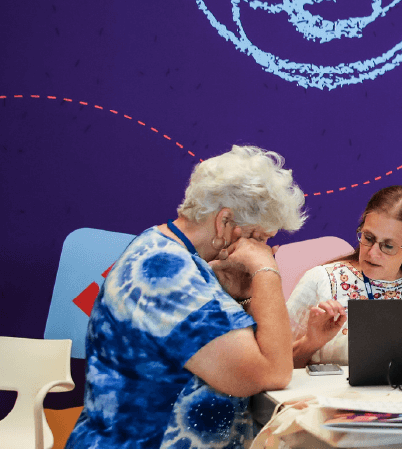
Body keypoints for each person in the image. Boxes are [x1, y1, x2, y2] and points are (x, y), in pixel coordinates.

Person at [66, 145, 306, 448]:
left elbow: (240, 352)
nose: (262, 249)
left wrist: (242, 296)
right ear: (225, 222)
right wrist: (266, 271)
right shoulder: (168, 273)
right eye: (258, 238)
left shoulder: (165, 251)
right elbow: (271, 371)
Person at [287, 185, 402, 367]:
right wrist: (311, 343)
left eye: (388, 246)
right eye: (368, 238)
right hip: (337, 395)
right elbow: (275, 368)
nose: (372, 253)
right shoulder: (321, 280)